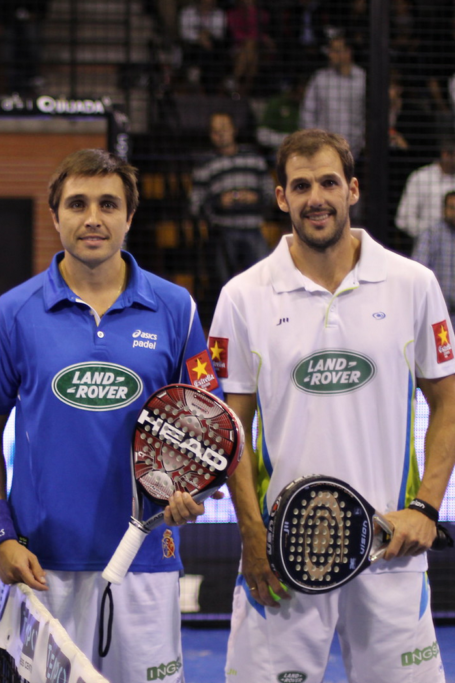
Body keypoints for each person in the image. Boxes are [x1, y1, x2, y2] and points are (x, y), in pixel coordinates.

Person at [210, 129, 455, 683]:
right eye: (300, 186)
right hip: (284, 553)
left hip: (390, 549)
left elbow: (448, 402)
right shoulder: (243, 296)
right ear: (281, 197)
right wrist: (252, 535)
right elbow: (230, 430)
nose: (315, 197)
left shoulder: (413, 284)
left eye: (327, 182)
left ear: (352, 190)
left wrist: (426, 508)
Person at [0, 148, 215, 680]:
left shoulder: (177, 308)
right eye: (77, 204)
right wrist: (0, 535)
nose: (93, 218)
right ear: (54, 215)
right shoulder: (11, 312)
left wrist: (190, 491)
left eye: (109, 204)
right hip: (42, 565)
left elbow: (206, 430)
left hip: (147, 559)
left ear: (129, 217)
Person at [190, 112, 275, 302]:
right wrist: (218, 202)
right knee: (226, 288)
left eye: (224, 129)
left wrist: (256, 197)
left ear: (234, 130)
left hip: (253, 228)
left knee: (264, 283)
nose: (220, 134)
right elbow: (195, 205)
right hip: (222, 231)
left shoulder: (253, 158)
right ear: (210, 135)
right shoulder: (205, 165)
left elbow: (271, 193)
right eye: (215, 131)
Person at [300, 34, 366, 158]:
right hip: (322, 152)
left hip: (355, 152)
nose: (330, 55)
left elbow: (368, 114)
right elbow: (307, 113)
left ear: (348, 52)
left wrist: (362, 144)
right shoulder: (320, 79)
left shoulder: (362, 79)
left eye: (336, 51)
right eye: (330, 51)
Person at [396, 138, 455, 245]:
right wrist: (429, 237)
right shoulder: (421, 177)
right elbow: (404, 219)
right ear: (446, 154)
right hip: (424, 247)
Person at [413, 190, 455, 316]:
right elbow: (418, 270)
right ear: (444, 210)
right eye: (452, 208)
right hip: (438, 311)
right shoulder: (431, 234)